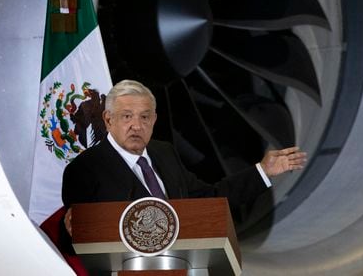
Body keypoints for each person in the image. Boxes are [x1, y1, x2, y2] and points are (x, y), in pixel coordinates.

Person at [61, 79, 307, 235]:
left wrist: (262, 171)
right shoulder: (86, 168)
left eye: (144, 117)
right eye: (127, 116)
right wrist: (69, 229)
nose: (136, 126)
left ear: (154, 120)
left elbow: (208, 198)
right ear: (108, 120)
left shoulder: (163, 153)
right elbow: (76, 238)